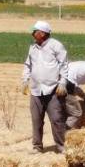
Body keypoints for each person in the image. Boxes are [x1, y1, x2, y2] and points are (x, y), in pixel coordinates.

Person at [20, 20, 69, 153]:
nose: (32, 34)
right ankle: (37, 146)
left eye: (34, 32)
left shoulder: (56, 46)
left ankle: (61, 146)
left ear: (42, 33)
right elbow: (28, 65)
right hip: (36, 90)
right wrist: (25, 80)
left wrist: (62, 82)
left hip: (53, 89)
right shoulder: (33, 48)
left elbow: (64, 64)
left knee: (56, 120)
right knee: (36, 121)